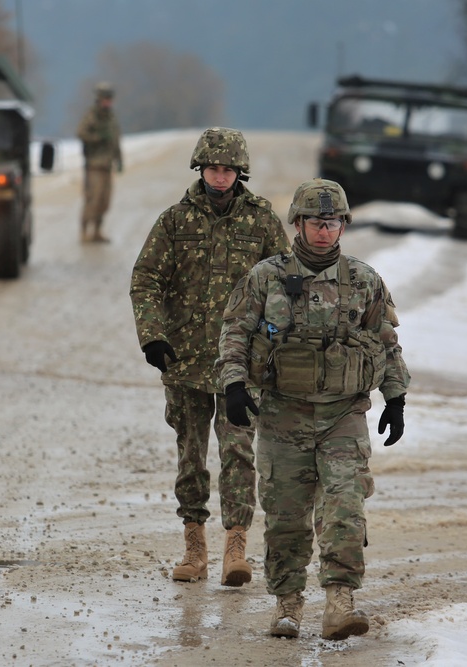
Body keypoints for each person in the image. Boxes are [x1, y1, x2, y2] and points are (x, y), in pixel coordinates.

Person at [216, 178, 410, 640]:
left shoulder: (364, 280)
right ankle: (287, 604)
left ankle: (340, 601)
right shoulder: (266, 276)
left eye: (332, 223)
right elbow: (235, 333)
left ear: (343, 226)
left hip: (343, 415)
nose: (324, 232)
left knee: (345, 507)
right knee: (286, 515)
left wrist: (395, 396)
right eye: (314, 223)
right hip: (284, 415)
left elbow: (386, 341)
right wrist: (234, 385)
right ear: (297, 225)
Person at [130, 127, 290, 587]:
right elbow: (145, 280)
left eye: (228, 170)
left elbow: (282, 287)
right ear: (201, 169)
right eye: (213, 169)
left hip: (240, 364)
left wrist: (271, 342)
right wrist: (153, 336)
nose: (220, 177)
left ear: (240, 172)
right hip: (184, 359)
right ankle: (194, 546)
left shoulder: (260, 221)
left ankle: (235, 546)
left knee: (239, 451)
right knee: (190, 454)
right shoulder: (175, 221)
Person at [76, 81, 122, 243]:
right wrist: (98, 137)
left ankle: (97, 231)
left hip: (107, 165)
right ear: (99, 99)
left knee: (104, 201)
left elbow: (116, 139)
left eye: (110, 98)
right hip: (94, 165)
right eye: (105, 98)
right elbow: (81, 133)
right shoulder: (92, 116)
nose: (108, 101)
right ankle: (84, 231)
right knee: (93, 199)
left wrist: (119, 159)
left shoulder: (111, 118)